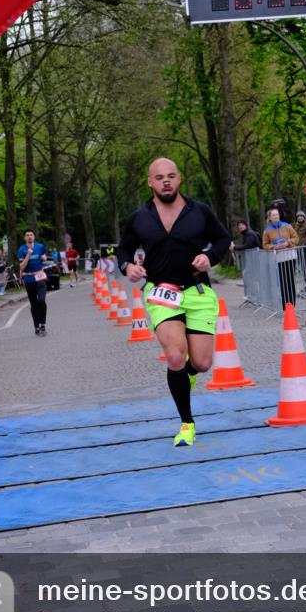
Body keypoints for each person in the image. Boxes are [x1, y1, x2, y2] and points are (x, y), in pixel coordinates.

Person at [117, 157, 231, 447]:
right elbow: (124, 250)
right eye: (159, 177)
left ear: (179, 179)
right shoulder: (139, 217)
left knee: (203, 363)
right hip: (160, 293)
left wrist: (210, 257)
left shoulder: (199, 212)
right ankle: (187, 424)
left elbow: (222, 240)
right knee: (175, 356)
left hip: (197, 292)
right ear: (150, 182)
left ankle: (187, 376)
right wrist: (128, 267)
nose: (166, 181)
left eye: (171, 176)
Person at [263, 206, 299, 306]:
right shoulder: (267, 231)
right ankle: (285, 304)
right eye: (274, 215)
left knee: (290, 279)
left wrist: (288, 243)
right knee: (283, 281)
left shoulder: (287, 226)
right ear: (270, 217)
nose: (276, 216)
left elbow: (296, 238)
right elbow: (265, 245)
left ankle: (292, 304)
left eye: (277, 214)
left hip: (290, 255)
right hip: (279, 258)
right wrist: (275, 246)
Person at [17, 228, 48, 336]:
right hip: (29, 279)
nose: (29, 236)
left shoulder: (40, 247)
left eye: (31, 234)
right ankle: (36, 326)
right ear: (25, 238)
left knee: (42, 301)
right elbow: (21, 267)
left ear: (34, 237)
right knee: (34, 304)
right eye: (27, 235)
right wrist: (28, 255)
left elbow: (44, 256)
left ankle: (43, 324)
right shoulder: (22, 250)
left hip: (39, 277)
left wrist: (44, 258)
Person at [292, 210, 306, 289]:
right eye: (298, 216)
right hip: (298, 249)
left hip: (305, 249)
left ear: (304, 217)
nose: (300, 217)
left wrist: (305, 244)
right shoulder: (295, 226)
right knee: (303, 267)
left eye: (301, 216)